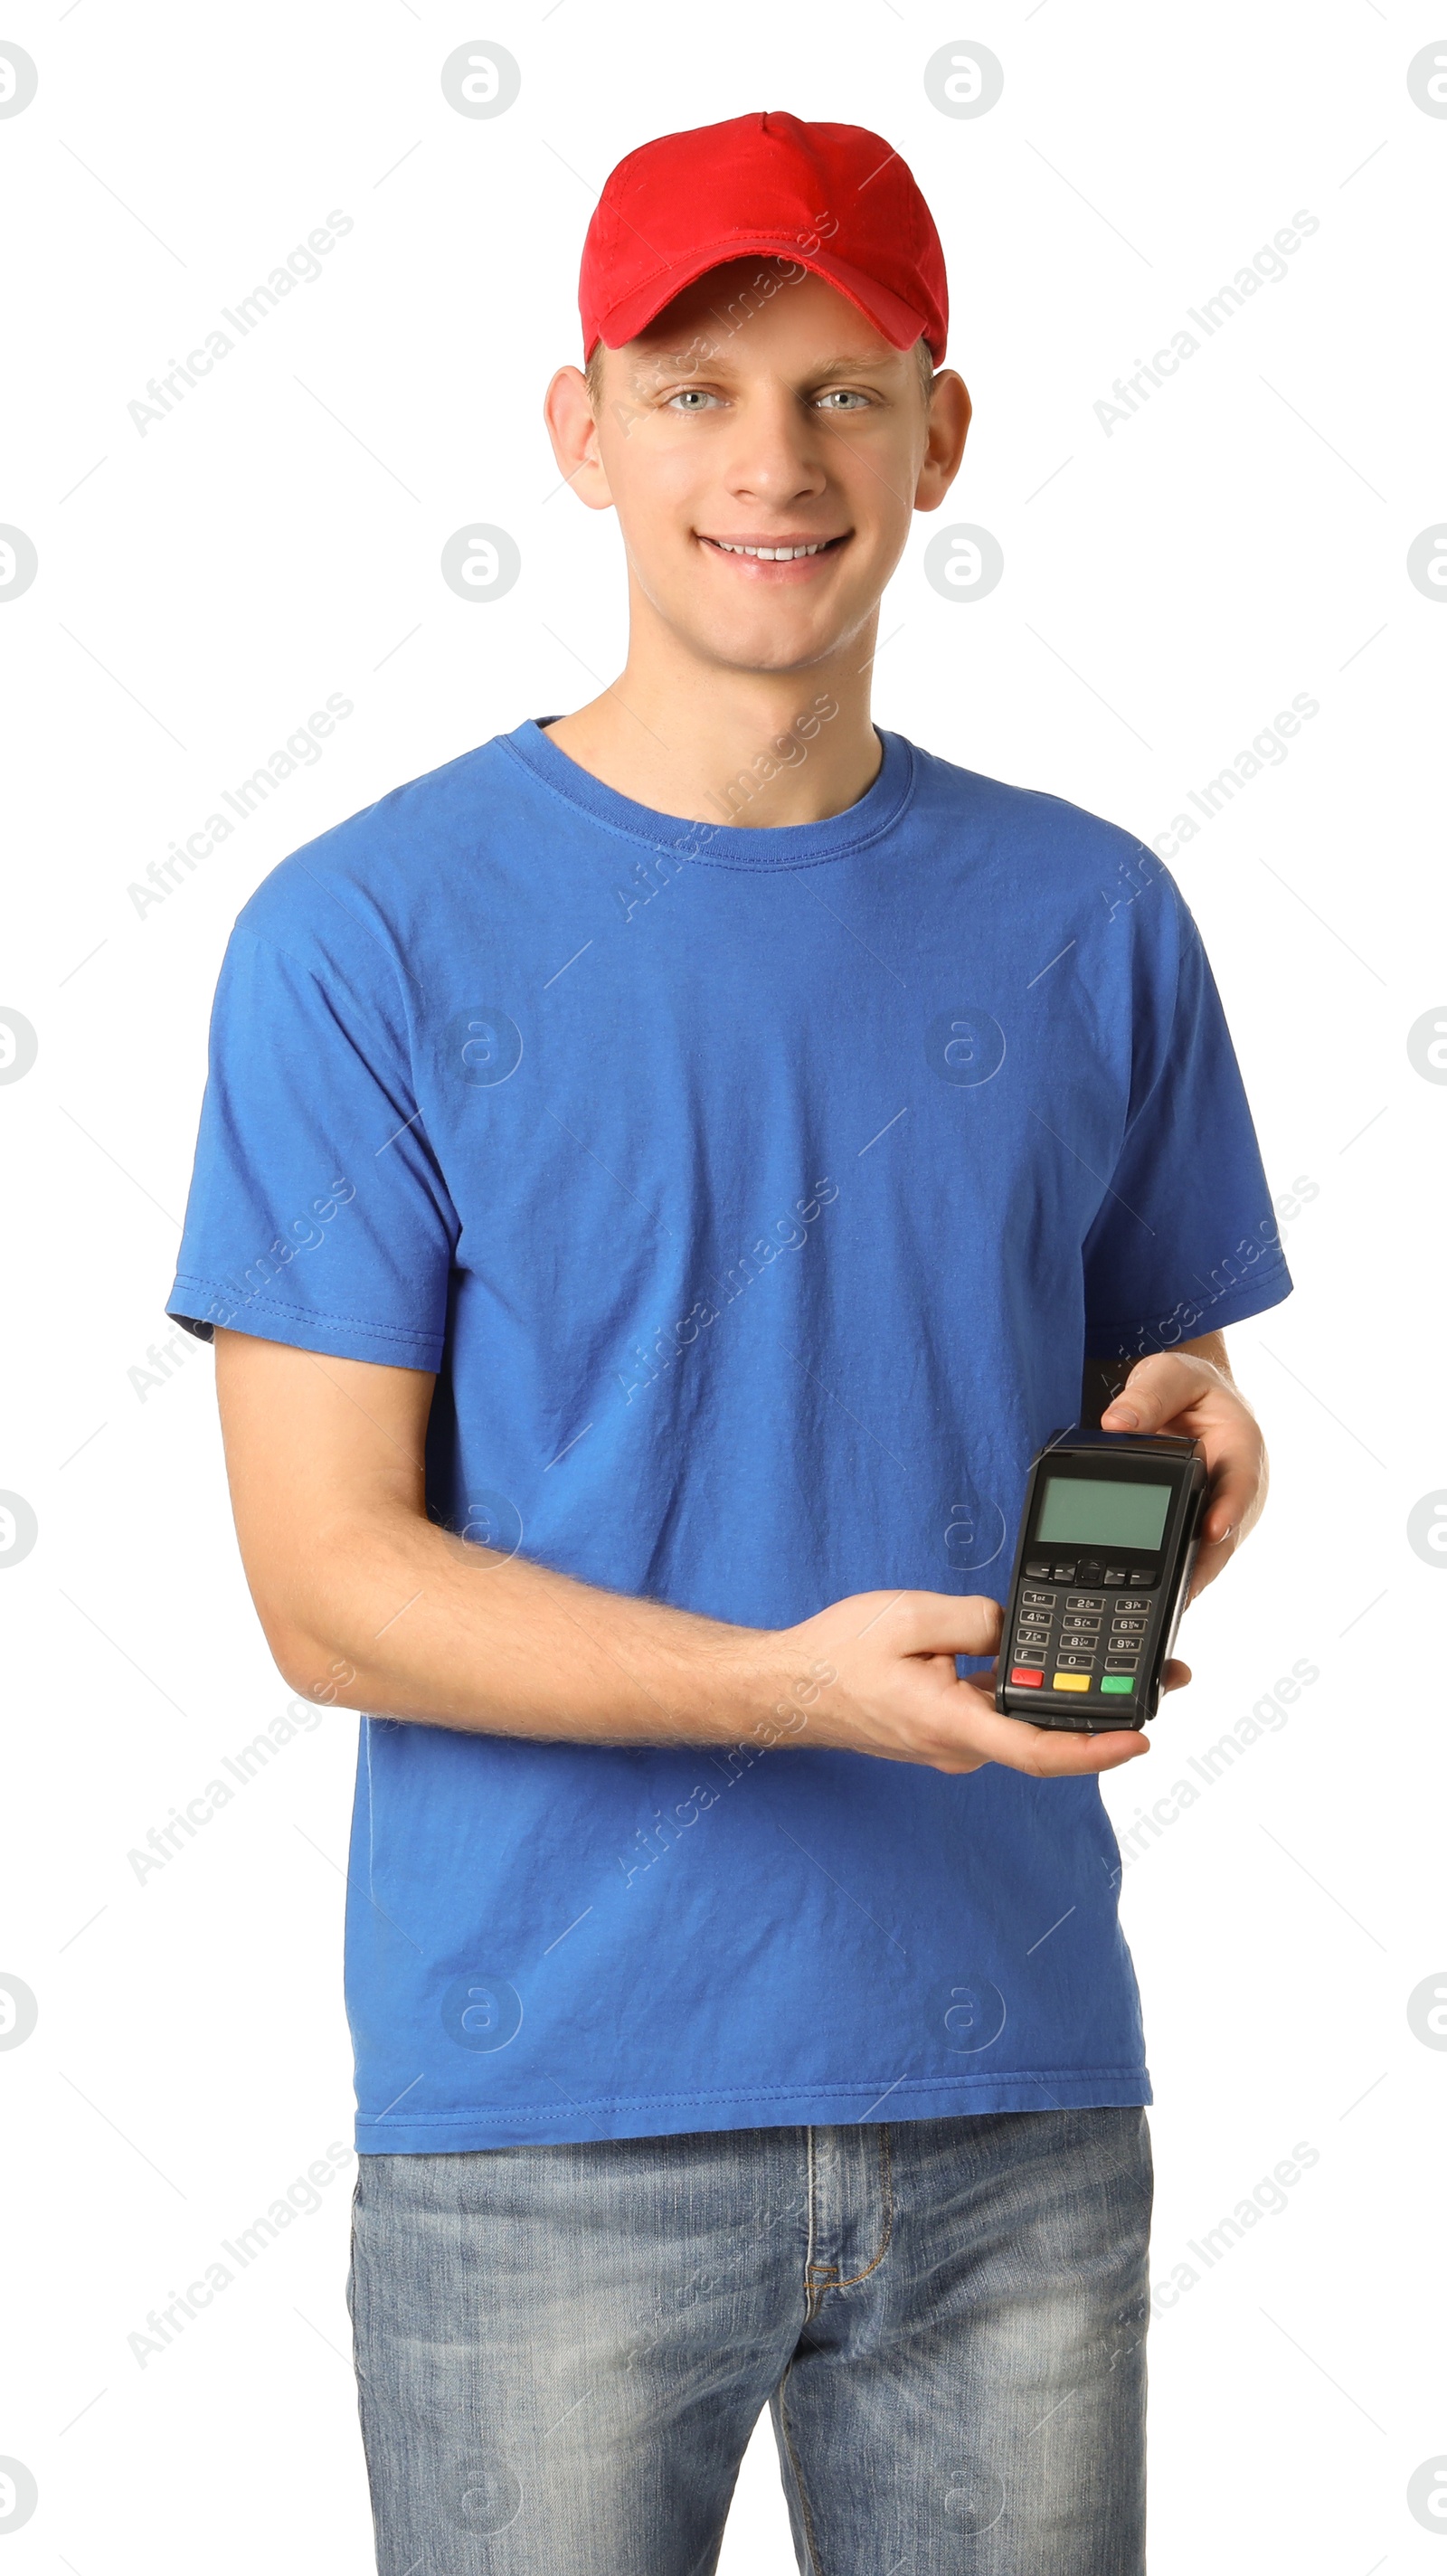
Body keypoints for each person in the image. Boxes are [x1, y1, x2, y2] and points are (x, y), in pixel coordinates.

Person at [167, 109, 1289, 2576]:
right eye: (692, 393)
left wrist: (1202, 1459)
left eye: (840, 391)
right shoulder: (361, 939)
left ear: (941, 429)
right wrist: (805, 1686)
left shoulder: (1093, 917)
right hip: (545, 2124)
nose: (771, 464)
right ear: (578, 430)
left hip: (1011, 2098)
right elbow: (325, 1580)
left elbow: (1172, 1398)